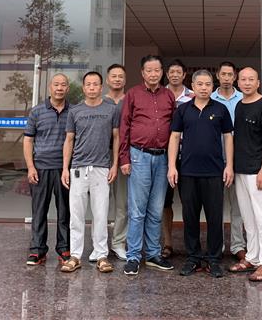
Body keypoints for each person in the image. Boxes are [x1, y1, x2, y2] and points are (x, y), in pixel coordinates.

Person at [168, 70, 233, 278]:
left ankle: (214, 258)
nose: (204, 88)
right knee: (190, 216)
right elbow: (174, 137)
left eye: (208, 84)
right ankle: (193, 257)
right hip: (188, 171)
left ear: (212, 87)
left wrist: (229, 165)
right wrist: (172, 166)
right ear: (193, 86)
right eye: (200, 84)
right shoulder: (183, 110)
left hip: (214, 172)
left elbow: (228, 138)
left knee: (215, 217)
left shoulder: (221, 109)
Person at [119, 55, 176, 275]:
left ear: (162, 72)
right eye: (149, 70)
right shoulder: (133, 94)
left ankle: (153, 254)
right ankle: (133, 256)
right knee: (137, 210)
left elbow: (175, 130)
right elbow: (124, 127)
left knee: (156, 209)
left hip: (162, 158)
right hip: (138, 156)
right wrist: (124, 158)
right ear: (142, 73)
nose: (153, 74)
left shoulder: (168, 95)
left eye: (157, 70)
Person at [60, 71, 120, 273]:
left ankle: (101, 255)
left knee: (101, 214)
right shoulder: (75, 111)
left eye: (96, 84)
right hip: (78, 168)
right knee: (76, 215)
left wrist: (114, 164)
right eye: (88, 84)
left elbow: (117, 137)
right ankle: (75, 256)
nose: (92, 87)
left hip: (101, 168)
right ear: (83, 87)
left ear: (101, 87)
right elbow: (69, 140)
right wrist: (65, 168)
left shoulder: (111, 109)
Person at [230, 66, 262, 283]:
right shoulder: (240, 105)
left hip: (258, 170)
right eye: (243, 79)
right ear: (238, 82)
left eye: (251, 79)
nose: (247, 83)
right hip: (241, 169)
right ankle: (252, 257)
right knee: (248, 218)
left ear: (258, 83)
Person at [24, 73, 72, 266]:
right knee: (39, 211)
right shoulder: (36, 112)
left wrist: (68, 168)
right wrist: (30, 167)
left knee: (65, 211)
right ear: (50, 87)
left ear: (68, 88)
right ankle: (37, 250)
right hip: (41, 168)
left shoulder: (73, 111)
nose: (59, 88)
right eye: (56, 84)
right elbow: (28, 140)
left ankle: (64, 248)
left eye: (63, 85)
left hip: (64, 169)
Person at [211, 61, 247, 262]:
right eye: (223, 74)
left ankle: (237, 245)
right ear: (217, 75)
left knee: (238, 205)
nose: (226, 78)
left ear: (235, 77)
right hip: (214, 159)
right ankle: (217, 245)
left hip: (238, 159)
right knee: (215, 205)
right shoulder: (209, 98)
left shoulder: (243, 98)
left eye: (230, 74)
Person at [161, 59, 193, 259]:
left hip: (187, 155)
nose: (174, 75)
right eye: (171, 71)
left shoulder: (193, 96)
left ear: (184, 75)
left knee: (189, 201)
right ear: (167, 74)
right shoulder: (159, 94)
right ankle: (167, 243)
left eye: (178, 72)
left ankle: (191, 245)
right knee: (165, 202)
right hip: (163, 156)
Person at [104, 63, 129, 261]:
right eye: (114, 76)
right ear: (107, 79)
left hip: (121, 157)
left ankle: (119, 242)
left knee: (122, 204)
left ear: (125, 80)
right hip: (99, 157)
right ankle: (100, 244)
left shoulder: (130, 100)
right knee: (100, 204)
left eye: (121, 76)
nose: (117, 79)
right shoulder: (99, 100)